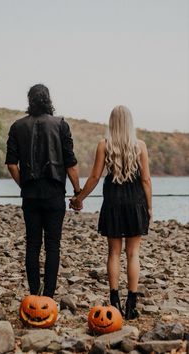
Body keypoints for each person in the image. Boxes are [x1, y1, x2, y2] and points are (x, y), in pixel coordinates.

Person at [70, 105, 152, 319]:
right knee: (133, 253)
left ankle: (114, 300)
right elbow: (146, 180)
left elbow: (95, 177)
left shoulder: (104, 145)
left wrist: (79, 198)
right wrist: (149, 207)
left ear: (112, 123)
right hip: (135, 203)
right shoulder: (140, 146)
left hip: (113, 203)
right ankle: (132, 304)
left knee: (113, 253)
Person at [5, 84, 81, 298]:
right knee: (53, 244)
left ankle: (33, 292)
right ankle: (48, 295)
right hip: (54, 192)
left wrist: (25, 185)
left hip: (30, 194)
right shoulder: (60, 125)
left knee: (32, 243)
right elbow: (70, 164)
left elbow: (12, 165)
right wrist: (77, 192)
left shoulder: (17, 126)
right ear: (48, 100)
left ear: (30, 100)